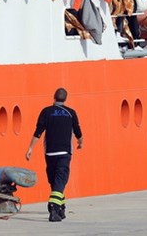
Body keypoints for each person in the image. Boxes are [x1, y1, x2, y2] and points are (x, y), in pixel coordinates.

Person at [25, 88, 83, 222]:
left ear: (54, 97)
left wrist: (30, 148)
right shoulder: (71, 113)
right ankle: (54, 208)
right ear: (65, 99)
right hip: (64, 152)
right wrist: (80, 143)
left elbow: (38, 132)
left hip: (49, 153)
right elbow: (78, 131)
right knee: (60, 181)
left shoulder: (46, 112)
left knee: (54, 182)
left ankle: (61, 208)